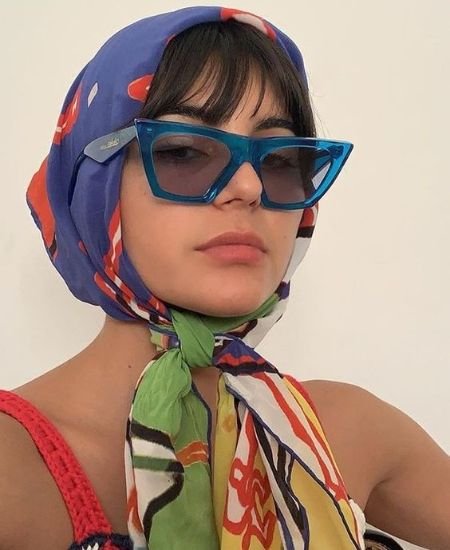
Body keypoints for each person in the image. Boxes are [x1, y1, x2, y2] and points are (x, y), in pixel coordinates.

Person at [0, 5, 448, 550]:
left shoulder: (347, 434)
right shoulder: (13, 469)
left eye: (279, 159)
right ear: (95, 186)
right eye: (184, 152)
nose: (250, 187)